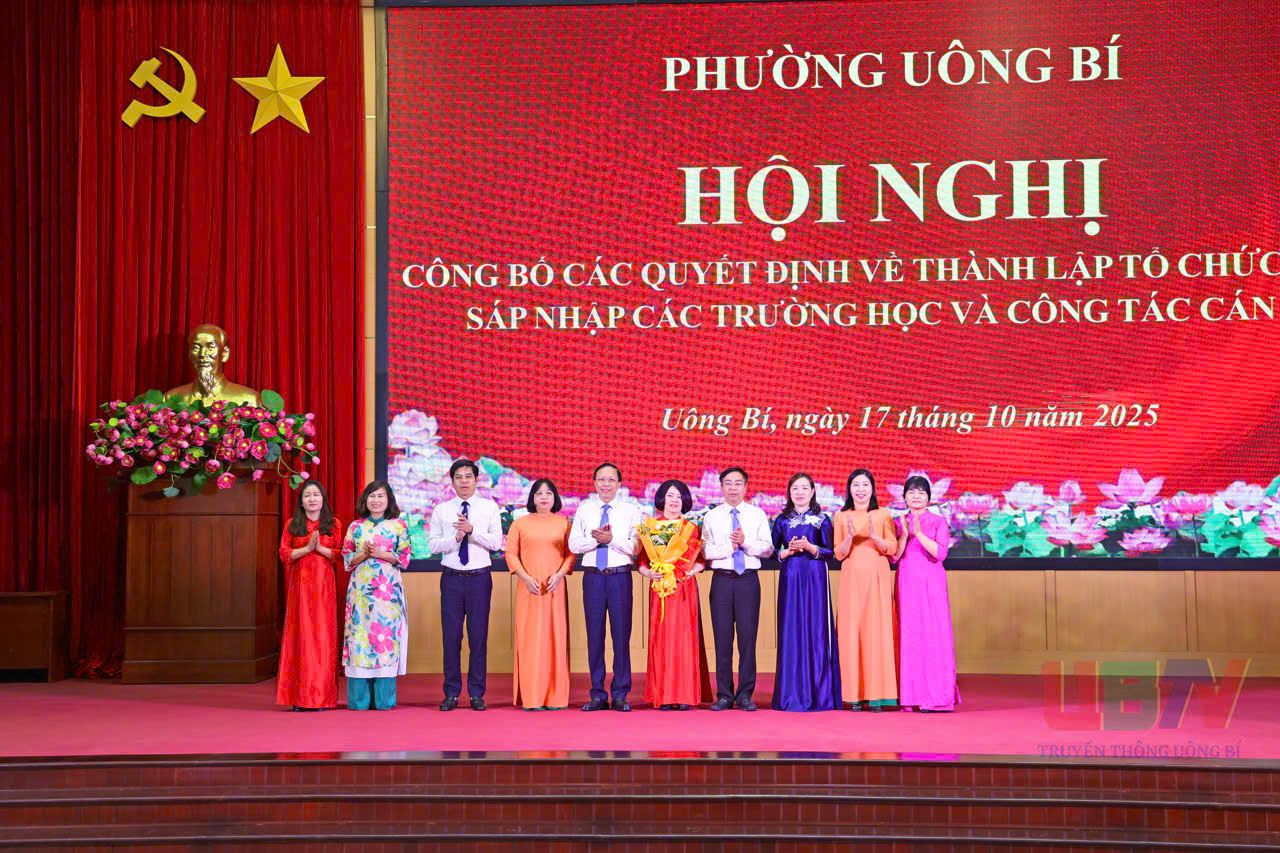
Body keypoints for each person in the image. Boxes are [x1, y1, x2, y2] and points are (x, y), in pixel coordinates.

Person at [428, 458, 503, 711]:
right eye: (458, 477)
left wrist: (472, 531)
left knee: (478, 637)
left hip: (480, 578)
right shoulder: (441, 510)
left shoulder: (489, 507)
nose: (463, 481)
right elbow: (433, 546)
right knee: (451, 637)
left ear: (476, 480)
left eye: (468, 476)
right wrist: (455, 537)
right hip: (451, 578)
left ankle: (476, 693)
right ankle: (451, 693)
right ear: (452, 481)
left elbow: (496, 543)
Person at [568, 462, 642, 711]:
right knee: (595, 636)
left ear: (619, 484)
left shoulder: (631, 510)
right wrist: (595, 539)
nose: (606, 484)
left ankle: (620, 693)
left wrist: (612, 539)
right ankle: (598, 694)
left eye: (611, 480)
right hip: (593, 578)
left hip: (620, 577)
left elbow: (636, 547)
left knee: (621, 635)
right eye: (601, 479)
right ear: (594, 483)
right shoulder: (584, 509)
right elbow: (573, 545)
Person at [701, 467, 772, 711]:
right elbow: (706, 551)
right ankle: (724, 694)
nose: (733, 488)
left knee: (747, 639)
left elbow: (768, 549)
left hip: (748, 581)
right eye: (728, 483)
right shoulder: (711, 516)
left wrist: (745, 542)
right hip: (721, 580)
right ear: (721, 487)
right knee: (722, 639)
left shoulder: (757, 514)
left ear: (745, 487)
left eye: (738, 483)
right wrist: (729, 548)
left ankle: (745, 695)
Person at [637, 480, 713, 710]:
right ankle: (663, 695)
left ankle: (684, 695)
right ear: (662, 499)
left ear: (685, 501)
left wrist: (693, 571)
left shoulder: (691, 528)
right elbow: (642, 561)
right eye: (670, 495)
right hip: (661, 590)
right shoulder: (650, 527)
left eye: (679, 497)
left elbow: (701, 560)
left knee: (684, 641)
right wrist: (649, 573)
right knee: (661, 641)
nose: (674, 500)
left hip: (684, 589)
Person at [770, 473, 841, 712]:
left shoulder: (823, 519)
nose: (799, 493)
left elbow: (832, 552)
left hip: (815, 578)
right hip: (790, 578)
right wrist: (786, 552)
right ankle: (790, 693)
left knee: (817, 631)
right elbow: (771, 551)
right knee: (791, 630)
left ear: (812, 492)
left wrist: (811, 548)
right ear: (789, 493)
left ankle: (820, 695)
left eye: (804, 488)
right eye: (795, 489)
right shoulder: (782, 520)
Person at [833, 468, 899, 711]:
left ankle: (877, 694)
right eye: (856, 485)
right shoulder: (841, 516)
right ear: (849, 489)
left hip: (877, 576)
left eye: (865, 485)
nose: (860, 489)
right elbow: (839, 553)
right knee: (852, 632)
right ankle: (854, 694)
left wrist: (874, 536)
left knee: (876, 632)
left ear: (872, 489)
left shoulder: (883, 514)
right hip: (852, 578)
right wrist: (850, 537)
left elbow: (891, 548)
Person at [341, 480, 411, 710]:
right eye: (372, 496)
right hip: (360, 593)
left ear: (389, 500)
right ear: (365, 500)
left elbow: (405, 558)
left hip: (387, 593)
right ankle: (359, 700)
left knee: (385, 640)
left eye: (381, 496)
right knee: (359, 639)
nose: (376, 500)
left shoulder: (399, 525)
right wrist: (363, 555)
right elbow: (346, 558)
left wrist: (381, 554)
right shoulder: (355, 527)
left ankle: (384, 699)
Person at [506, 478, 575, 710]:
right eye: (539, 493)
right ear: (532, 498)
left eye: (548, 493)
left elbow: (571, 553)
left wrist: (560, 575)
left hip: (555, 588)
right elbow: (511, 554)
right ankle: (532, 697)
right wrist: (525, 578)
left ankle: (555, 697)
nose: (544, 497)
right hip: (529, 589)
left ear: (555, 498)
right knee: (530, 640)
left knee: (555, 638)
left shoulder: (564, 523)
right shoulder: (520, 524)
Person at [893, 475, 960, 712]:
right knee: (910, 635)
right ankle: (911, 696)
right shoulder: (898, 521)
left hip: (932, 582)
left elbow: (940, 554)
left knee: (934, 634)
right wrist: (904, 534)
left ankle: (936, 696)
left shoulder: (938, 521)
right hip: (907, 582)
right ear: (904, 497)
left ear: (929, 497)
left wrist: (919, 533)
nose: (916, 496)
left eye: (921, 492)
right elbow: (894, 557)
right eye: (911, 492)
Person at [276, 480, 341, 710]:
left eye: (316, 494)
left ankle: (320, 697)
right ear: (301, 502)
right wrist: (305, 549)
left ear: (323, 499)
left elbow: (340, 554)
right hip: (300, 588)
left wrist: (320, 549)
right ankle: (299, 698)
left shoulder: (333, 524)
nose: (312, 499)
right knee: (300, 638)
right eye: (307, 495)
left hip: (323, 588)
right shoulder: (292, 524)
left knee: (322, 639)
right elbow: (284, 554)